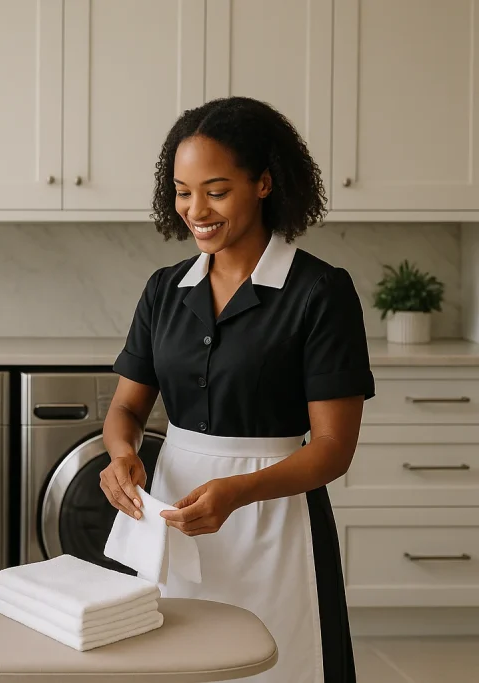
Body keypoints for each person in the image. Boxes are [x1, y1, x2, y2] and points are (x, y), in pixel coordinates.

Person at [100, 96, 372, 683]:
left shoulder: (320, 293)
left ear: (265, 184)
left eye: (216, 191)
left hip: (276, 517)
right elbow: (126, 406)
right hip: (172, 511)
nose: (195, 210)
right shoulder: (165, 289)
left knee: (283, 664)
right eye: (182, 190)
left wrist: (238, 492)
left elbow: (332, 447)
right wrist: (122, 455)